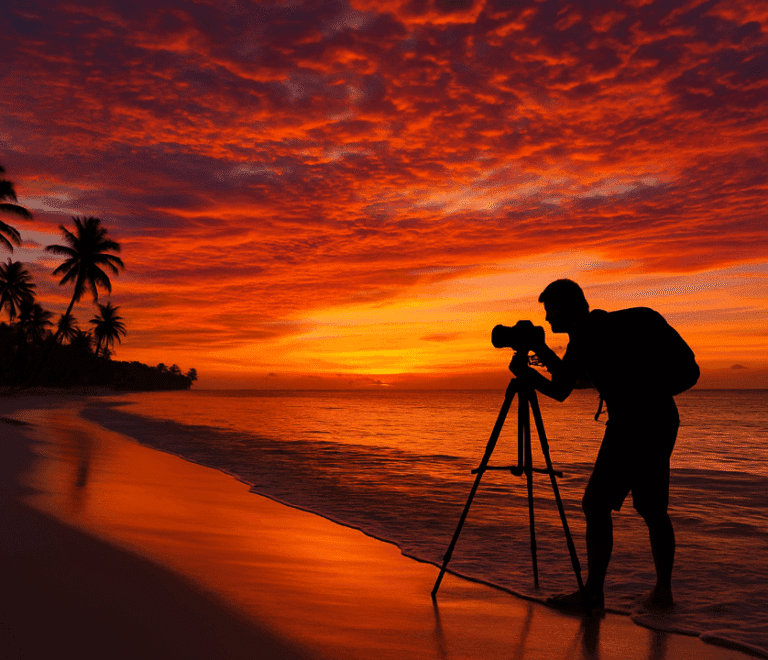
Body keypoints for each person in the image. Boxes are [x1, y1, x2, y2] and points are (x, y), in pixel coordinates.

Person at [511, 279, 693, 612]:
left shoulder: (585, 337)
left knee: (595, 505)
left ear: (567, 309)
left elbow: (561, 389)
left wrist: (527, 372)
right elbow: (577, 377)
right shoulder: (625, 323)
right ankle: (663, 592)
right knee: (653, 510)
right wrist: (651, 397)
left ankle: (593, 593)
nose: (549, 321)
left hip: (630, 426)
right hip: (663, 420)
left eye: (551, 313)